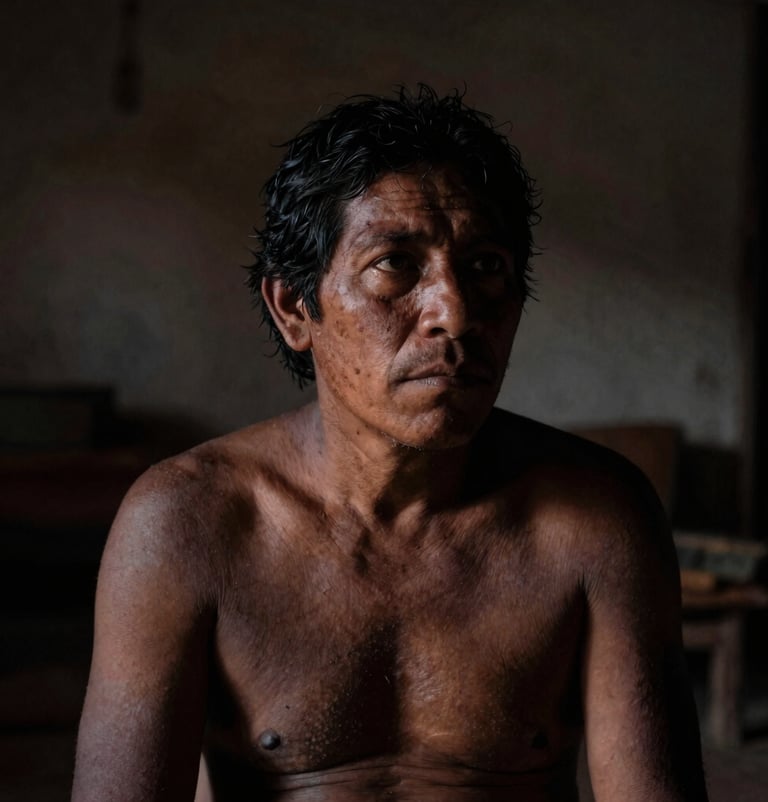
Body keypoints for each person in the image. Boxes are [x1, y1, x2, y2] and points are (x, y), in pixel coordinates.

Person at [72, 85, 709, 802]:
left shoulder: (597, 522)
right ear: (293, 307)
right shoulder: (187, 524)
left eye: (486, 266)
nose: (455, 314)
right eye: (396, 265)